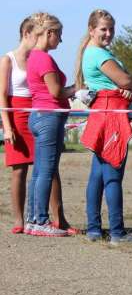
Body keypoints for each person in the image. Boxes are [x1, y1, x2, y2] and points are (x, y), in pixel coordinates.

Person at [0, 15, 76, 235]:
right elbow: (2, 95)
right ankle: (23, 220)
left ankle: (53, 218)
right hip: (21, 112)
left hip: (35, 108)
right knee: (22, 170)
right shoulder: (10, 60)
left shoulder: (35, 57)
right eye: (35, 34)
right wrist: (7, 126)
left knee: (46, 169)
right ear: (27, 34)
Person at [74, 9, 132, 245]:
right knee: (113, 174)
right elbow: (125, 80)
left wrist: (126, 85)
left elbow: (122, 82)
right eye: (103, 29)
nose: (108, 33)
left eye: (111, 28)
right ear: (92, 30)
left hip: (103, 112)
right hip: (111, 114)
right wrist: (128, 82)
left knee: (98, 175)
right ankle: (117, 231)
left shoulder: (94, 52)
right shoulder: (97, 54)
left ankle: (94, 229)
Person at [25, 13, 78, 237]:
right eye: (59, 35)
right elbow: (56, 92)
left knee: (39, 171)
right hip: (48, 116)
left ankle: (32, 218)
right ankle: (41, 221)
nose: (61, 41)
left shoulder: (33, 57)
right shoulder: (44, 59)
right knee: (46, 171)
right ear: (50, 33)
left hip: (39, 115)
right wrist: (77, 90)